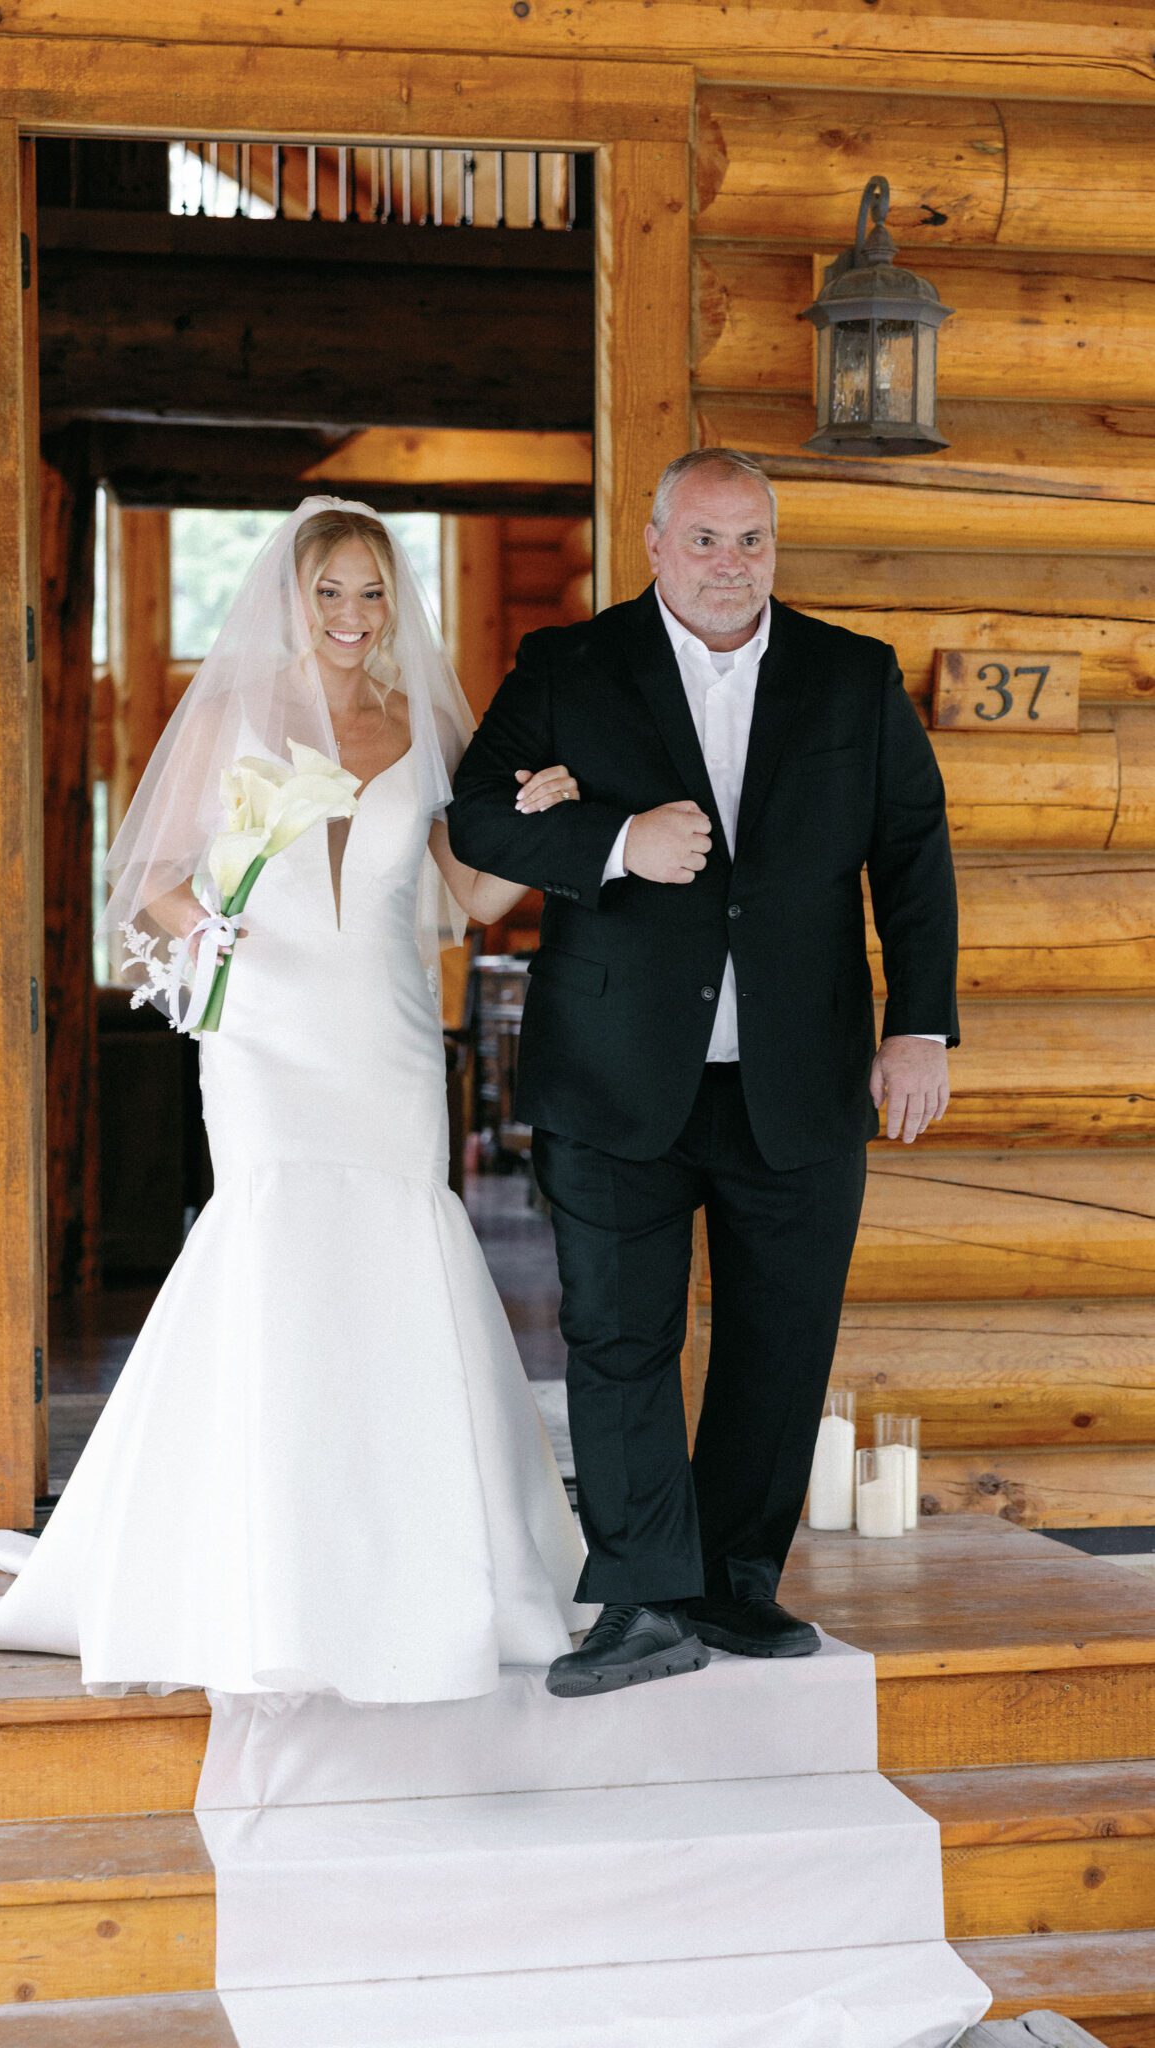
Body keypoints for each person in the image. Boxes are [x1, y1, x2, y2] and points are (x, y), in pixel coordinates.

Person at [0, 498, 608, 1704]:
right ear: (290, 598)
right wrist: (214, 929)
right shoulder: (235, 716)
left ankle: (417, 1550)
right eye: (329, 592)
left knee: (399, 1244)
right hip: (265, 1035)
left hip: (388, 1033)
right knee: (272, 1247)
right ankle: (257, 1553)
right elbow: (147, 879)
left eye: (370, 593)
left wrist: (545, 821)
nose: (351, 616)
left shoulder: (419, 727)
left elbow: (475, 893)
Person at [448, 448, 957, 1699]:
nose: (730, 566)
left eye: (751, 542)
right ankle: (638, 1597)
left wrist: (920, 1027)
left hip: (802, 1068)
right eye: (707, 540)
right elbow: (478, 819)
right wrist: (614, 839)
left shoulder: (851, 675)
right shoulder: (569, 665)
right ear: (655, 541)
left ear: (771, 547)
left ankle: (734, 1584)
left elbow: (911, 849)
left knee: (779, 1340)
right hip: (616, 1068)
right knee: (618, 1336)